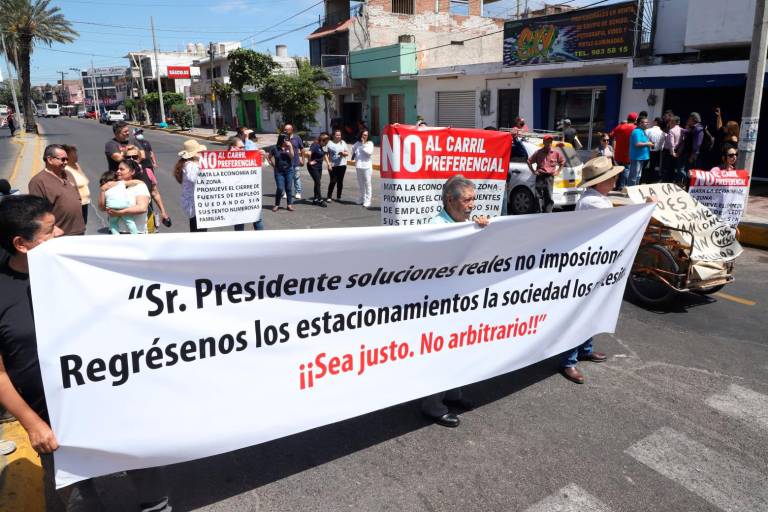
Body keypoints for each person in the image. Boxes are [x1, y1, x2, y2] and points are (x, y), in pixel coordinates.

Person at [0, 195, 173, 512]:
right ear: (21, 244)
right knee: (81, 500)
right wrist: (31, 423)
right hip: (50, 418)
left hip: (110, 398)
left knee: (146, 472)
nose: (61, 234)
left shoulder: (81, 267)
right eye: (50, 230)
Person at [422, 175, 489, 427]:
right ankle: (432, 404)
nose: (473, 204)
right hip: (440, 303)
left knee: (460, 347)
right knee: (441, 351)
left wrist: (479, 230)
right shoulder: (436, 226)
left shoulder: (465, 222)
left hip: (461, 299)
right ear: (450, 200)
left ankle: (452, 392)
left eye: (474, 199)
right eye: (468, 200)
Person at [560, 157, 619, 383]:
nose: (614, 180)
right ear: (597, 183)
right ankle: (568, 360)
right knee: (581, 311)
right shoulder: (593, 202)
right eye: (609, 177)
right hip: (587, 264)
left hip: (597, 261)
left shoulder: (598, 198)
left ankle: (585, 349)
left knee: (592, 308)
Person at [27, 144, 86, 236]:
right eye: (63, 159)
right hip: (59, 234)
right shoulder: (38, 181)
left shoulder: (68, 174)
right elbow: (37, 211)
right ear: (50, 159)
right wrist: (52, 228)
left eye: (67, 159)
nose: (66, 162)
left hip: (78, 231)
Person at [124, 145, 171, 231]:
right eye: (128, 157)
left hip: (147, 215)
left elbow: (155, 193)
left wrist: (163, 212)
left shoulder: (148, 172)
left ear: (139, 158)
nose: (131, 159)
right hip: (127, 218)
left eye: (134, 157)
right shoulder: (121, 174)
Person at [99, 159, 150, 234]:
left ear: (132, 172)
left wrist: (120, 212)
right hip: (115, 232)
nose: (118, 171)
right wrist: (103, 191)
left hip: (136, 233)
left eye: (121, 169)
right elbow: (102, 208)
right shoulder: (112, 186)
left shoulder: (140, 186)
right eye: (118, 169)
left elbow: (142, 208)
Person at [227, 137, 265, 231]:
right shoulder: (224, 159)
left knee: (258, 219)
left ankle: (263, 241)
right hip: (236, 197)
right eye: (240, 147)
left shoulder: (248, 156)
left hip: (251, 195)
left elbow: (262, 165)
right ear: (233, 148)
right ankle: (240, 243)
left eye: (244, 147)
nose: (243, 149)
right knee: (239, 222)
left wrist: (262, 156)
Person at [174, 139, 208, 232]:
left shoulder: (192, 164)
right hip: (195, 204)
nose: (201, 153)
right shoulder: (190, 165)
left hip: (196, 203)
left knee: (198, 229)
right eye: (199, 152)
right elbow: (195, 179)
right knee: (198, 231)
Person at [527, 134, 564, 213]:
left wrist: (558, 171)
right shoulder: (538, 152)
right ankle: (539, 213)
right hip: (540, 176)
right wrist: (533, 171)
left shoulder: (555, 153)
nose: (549, 143)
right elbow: (529, 161)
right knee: (538, 196)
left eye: (550, 141)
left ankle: (548, 214)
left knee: (549, 197)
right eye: (547, 141)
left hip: (549, 177)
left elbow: (562, 162)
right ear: (544, 142)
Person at [59, 144, 90, 226]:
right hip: (76, 204)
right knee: (76, 227)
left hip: (84, 202)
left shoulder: (76, 165)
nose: (77, 156)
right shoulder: (65, 169)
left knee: (83, 225)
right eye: (74, 153)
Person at [609, 112, 638, 187]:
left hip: (618, 153)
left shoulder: (620, 126)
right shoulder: (635, 128)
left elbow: (611, 135)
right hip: (628, 154)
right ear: (635, 120)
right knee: (626, 170)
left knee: (617, 170)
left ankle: (616, 185)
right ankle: (622, 187)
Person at [269, 134, 295, 212]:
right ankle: (277, 204)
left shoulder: (289, 147)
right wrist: (273, 165)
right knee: (280, 188)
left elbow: (292, 157)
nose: (287, 141)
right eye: (285, 139)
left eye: (288, 139)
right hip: (279, 171)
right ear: (281, 140)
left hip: (289, 170)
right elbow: (269, 157)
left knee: (288, 188)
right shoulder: (275, 148)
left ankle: (289, 205)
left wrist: (290, 147)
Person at [628, 117, 653, 187]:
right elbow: (637, 144)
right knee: (634, 176)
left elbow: (642, 142)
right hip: (637, 157)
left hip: (641, 157)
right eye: (646, 122)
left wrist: (648, 142)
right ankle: (631, 191)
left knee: (638, 176)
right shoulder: (637, 131)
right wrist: (648, 144)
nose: (647, 123)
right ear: (640, 123)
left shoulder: (642, 131)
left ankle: (635, 190)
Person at [307, 132, 330, 207]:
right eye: (326, 142)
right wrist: (310, 161)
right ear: (322, 140)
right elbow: (308, 153)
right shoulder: (315, 145)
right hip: (313, 167)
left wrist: (328, 164)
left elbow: (324, 155)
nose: (326, 144)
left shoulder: (321, 147)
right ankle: (320, 200)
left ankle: (315, 198)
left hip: (319, 167)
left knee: (317, 183)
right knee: (318, 182)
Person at [326, 129, 350, 202]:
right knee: (333, 181)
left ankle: (338, 196)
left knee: (340, 181)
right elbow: (325, 155)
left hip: (342, 165)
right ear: (333, 135)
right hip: (332, 165)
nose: (338, 136)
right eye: (337, 135)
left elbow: (347, 153)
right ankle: (329, 196)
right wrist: (328, 164)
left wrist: (343, 153)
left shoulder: (343, 143)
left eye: (339, 135)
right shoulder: (329, 143)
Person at [352, 129, 374, 208]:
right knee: (361, 183)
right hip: (358, 166)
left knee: (367, 183)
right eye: (363, 134)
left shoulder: (370, 143)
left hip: (367, 166)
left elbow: (369, 153)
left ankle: (368, 200)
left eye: (366, 135)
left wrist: (364, 144)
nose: (364, 136)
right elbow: (353, 148)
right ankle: (362, 198)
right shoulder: (357, 143)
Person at [283, 123, 304, 199]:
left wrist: (302, 159)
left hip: (295, 161)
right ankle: (286, 192)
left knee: (296, 177)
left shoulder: (297, 138)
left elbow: (302, 149)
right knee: (286, 178)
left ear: (291, 130)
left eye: (287, 129)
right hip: (285, 162)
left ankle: (298, 192)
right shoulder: (282, 138)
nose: (285, 131)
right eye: (284, 129)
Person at [662, 116, 683, 184]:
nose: (670, 123)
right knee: (673, 168)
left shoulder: (671, 130)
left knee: (667, 168)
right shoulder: (682, 130)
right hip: (677, 151)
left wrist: (672, 152)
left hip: (670, 152)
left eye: (671, 121)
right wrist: (679, 151)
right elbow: (683, 141)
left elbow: (671, 143)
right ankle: (671, 181)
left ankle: (666, 182)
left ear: (674, 122)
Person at [644, 117, 665, 183]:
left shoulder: (647, 130)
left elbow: (644, 140)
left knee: (643, 165)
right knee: (652, 167)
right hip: (656, 152)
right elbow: (662, 145)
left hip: (647, 150)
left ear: (655, 122)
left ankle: (641, 180)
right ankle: (649, 181)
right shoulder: (663, 133)